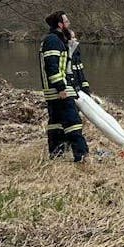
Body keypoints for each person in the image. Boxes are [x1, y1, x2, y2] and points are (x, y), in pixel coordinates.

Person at [38, 11, 89, 161]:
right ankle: (81, 156)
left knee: (56, 123)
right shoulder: (53, 41)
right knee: (73, 122)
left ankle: (56, 154)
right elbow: (51, 66)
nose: (69, 24)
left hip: (55, 90)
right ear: (60, 25)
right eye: (66, 21)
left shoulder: (57, 40)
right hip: (59, 90)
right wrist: (61, 87)